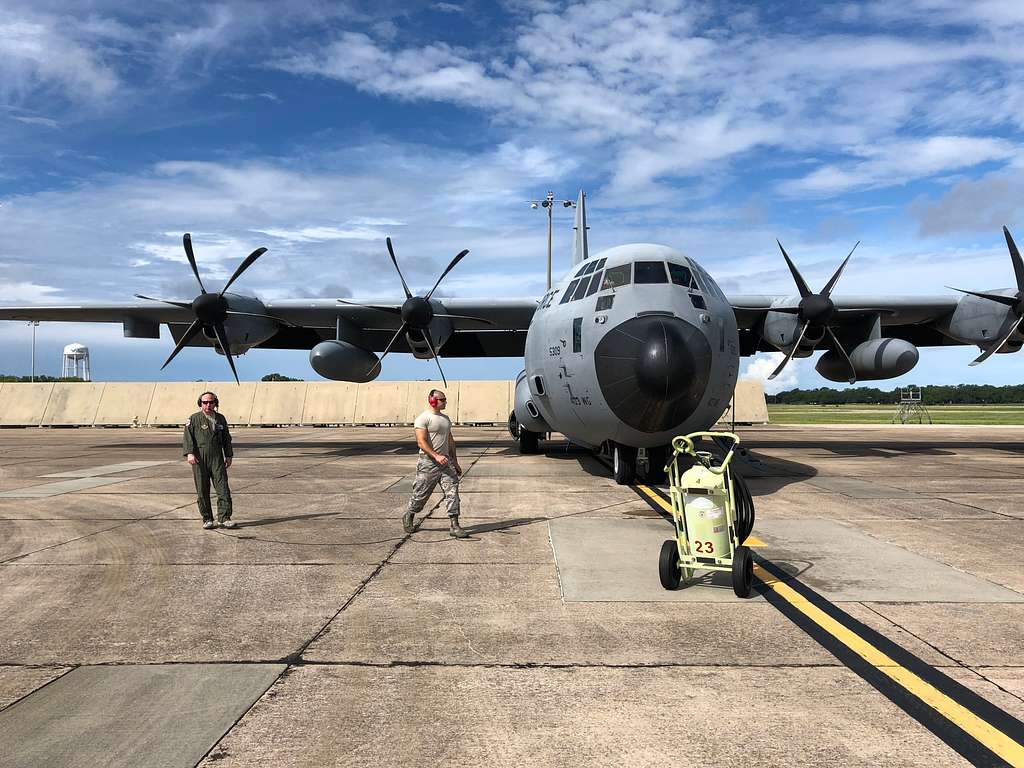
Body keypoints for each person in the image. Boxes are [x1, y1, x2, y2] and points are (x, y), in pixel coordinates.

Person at [405, 389, 468, 539]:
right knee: (421, 495)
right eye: (443, 399)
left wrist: (455, 461)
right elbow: (421, 442)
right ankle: (409, 515)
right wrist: (436, 456)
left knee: (452, 492)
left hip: (446, 463)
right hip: (428, 463)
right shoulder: (423, 418)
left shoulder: (445, 419)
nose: (445, 402)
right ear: (433, 401)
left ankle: (454, 525)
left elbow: (450, 441)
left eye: (445, 399)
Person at [183, 391, 235, 530]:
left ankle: (224, 518)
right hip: (199, 458)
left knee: (223, 487)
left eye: (211, 402)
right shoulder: (193, 419)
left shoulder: (220, 419)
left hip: (217, 458)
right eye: (205, 402)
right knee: (202, 489)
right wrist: (189, 453)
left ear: (215, 403)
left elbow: (226, 438)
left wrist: (228, 455)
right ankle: (207, 518)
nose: (208, 405)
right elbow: (188, 437)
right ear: (200, 403)